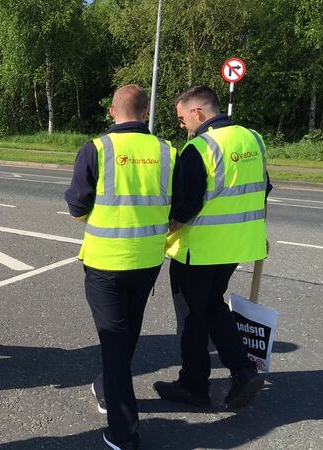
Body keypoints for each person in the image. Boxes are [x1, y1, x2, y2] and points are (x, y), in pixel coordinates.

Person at [65, 85, 179, 450]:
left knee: (114, 342)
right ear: (145, 112)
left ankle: (123, 433)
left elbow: (76, 205)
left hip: (105, 261)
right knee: (127, 332)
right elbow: (180, 205)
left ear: (112, 112)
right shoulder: (168, 151)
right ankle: (105, 386)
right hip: (147, 260)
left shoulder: (97, 149)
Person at [154, 85, 270, 411]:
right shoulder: (253, 139)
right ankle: (244, 371)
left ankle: (193, 386)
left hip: (199, 250)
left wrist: (159, 235)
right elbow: (263, 188)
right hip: (237, 247)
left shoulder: (200, 148)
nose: (182, 126)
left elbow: (185, 207)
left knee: (191, 319)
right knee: (214, 307)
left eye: (182, 119)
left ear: (198, 112)